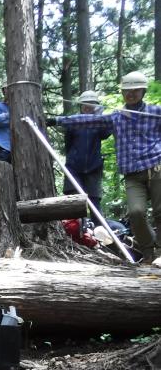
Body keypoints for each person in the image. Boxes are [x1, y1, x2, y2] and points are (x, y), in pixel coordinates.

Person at [48, 71, 161, 264]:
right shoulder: (116, 116)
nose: (131, 94)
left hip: (156, 167)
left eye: (135, 90)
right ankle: (149, 249)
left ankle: (156, 254)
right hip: (133, 174)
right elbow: (87, 120)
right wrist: (58, 120)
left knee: (160, 212)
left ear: (143, 91)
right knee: (136, 212)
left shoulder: (155, 113)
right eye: (127, 91)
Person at [61, 90, 111, 213]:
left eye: (91, 104)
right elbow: (68, 144)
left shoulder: (100, 123)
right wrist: (72, 160)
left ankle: (99, 230)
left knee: (94, 203)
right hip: (74, 168)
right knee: (73, 203)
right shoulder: (73, 122)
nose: (87, 106)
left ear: (96, 106)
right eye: (85, 104)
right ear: (80, 106)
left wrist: (100, 116)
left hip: (94, 167)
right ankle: (75, 231)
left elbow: (106, 133)